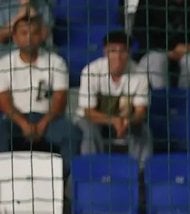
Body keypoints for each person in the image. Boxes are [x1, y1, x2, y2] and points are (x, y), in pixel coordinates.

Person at [0, 14, 79, 174]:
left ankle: (61, 185)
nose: (29, 38)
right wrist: (23, 123)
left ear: (41, 36)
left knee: (72, 134)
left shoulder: (56, 61)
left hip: (48, 120)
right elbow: (4, 101)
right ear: (15, 37)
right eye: (24, 33)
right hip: (15, 120)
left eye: (34, 33)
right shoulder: (5, 63)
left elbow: (60, 100)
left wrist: (43, 123)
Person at [76, 30, 153, 167]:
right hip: (95, 120)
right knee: (89, 131)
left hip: (125, 122)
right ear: (105, 52)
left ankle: (140, 174)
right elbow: (88, 111)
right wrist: (113, 120)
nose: (118, 56)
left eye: (123, 51)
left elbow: (141, 111)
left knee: (143, 132)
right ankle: (92, 171)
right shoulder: (91, 71)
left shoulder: (140, 74)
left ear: (129, 53)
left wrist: (128, 121)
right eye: (113, 51)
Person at [131, 0, 190, 90]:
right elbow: (139, 33)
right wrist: (167, 51)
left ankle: (183, 100)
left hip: (189, 52)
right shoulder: (148, 2)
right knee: (157, 61)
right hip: (156, 51)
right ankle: (162, 101)